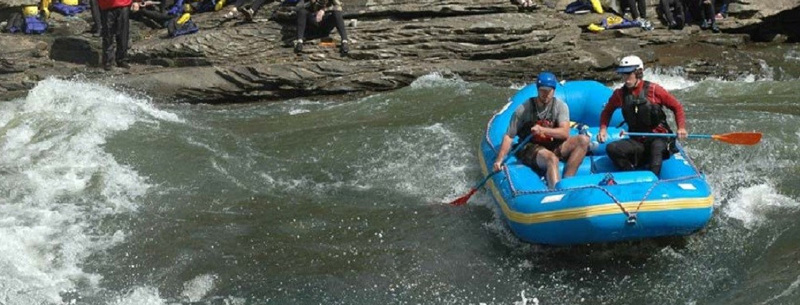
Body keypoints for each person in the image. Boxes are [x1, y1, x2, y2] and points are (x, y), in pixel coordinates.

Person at [493, 72, 590, 189]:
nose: (545, 94)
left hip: (552, 143)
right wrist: (499, 160)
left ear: (553, 91)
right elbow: (509, 136)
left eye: (548, 91)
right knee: (551, 159)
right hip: (530, 146)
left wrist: (542, 130)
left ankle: (567, 182)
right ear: (538, 90)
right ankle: (555, 191)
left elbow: (564, 133)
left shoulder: (560, 106)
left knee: (583, 140)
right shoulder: (524, 109)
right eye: (542, 90)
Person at [597, 55, 687, 177]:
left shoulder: (654, 90)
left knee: (656, 148)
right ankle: (632, 176)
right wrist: (603, 129)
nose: (625, 78)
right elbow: (607, 111)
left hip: (659, 138)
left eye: (629, 74)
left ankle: (652, 181)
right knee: (612, 148)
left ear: (638, 73)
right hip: (637, 141)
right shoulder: (619, 94)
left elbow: (677, 107)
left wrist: (681, 128)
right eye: (623, 74)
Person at [98, 0, 132, 70]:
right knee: (107, 34)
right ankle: (108, 61)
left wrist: (137, 2)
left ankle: (122, 59)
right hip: (106, 5)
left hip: (123, 4)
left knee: (123, 34)